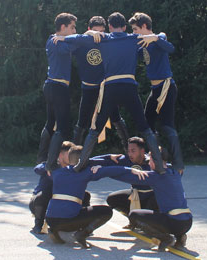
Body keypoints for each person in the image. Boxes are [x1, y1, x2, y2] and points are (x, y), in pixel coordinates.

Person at [54, 12, 164, 174]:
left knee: (95, 128)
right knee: (145, 128)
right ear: (125, 27)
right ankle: (160, 167)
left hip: (111, 87)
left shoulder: (105, 38)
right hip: (129, 86)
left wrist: (62, 38)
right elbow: (159, 37)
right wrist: (158, 36)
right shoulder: (133, 38)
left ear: (109, 27)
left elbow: (76, 38)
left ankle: (78, 165)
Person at [93, 147, 192, 251]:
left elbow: (126, 176)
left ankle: (166, 238)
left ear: (155, 161)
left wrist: (103, 171)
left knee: (135, 215)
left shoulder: (156, 176)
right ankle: (180, 237)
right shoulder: (175, 172)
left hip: (174, 222)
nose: (149, 164)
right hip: (188, 222)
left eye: (150, 161)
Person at [128, 12, 184, 173]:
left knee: (167, 126)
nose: (134, 32)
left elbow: (170, 48)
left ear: (145, 26)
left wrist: (157, 37)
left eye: (135, 29)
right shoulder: (142, 45)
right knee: (147, 124)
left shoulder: (159, 39)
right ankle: (156, 156)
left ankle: (179, 164)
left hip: (166, 87)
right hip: (155, 89)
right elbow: (133, 54)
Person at [45, 145, 129, 248]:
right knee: (106, 211)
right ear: (84, 161)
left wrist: (108, 156)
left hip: (50, 219)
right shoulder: (85, 173)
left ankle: (54, 230)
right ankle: (82, 234)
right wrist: (131, 170)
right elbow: (112, 170)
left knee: (83, 197)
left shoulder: (56, 172)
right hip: (67, 221)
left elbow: (40, 168)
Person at [71, 16, 129, 152]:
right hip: (88, 88)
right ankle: (72, 156)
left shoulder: (108, 40)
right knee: (82, 122)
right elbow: (69, 41)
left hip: (106, 88)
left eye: (102, 32)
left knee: (116, 118)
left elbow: (124, 38)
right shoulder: (82, 42)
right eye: (95, 31)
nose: (99, 35)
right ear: (89, 29)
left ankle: (130, 151)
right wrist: (88, 34)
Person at [36, 13, 78, 172]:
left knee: (50, 123)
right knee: (62, 127)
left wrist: (68, 38)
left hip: (52, 87)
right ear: (63, 27)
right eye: (72, 27)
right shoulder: (55, 41)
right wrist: (78, 38)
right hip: (57, 88)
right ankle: (50, 164)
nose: (75, 31)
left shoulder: (54, 40)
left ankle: (42, 159)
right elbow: (76, 46)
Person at [30, 141, 90, 234]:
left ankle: (83, 224)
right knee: (46, 192)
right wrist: (48, 168)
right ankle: (38, 225)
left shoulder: (73, 168)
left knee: (85, 195)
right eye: (69, 154)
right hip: (39, 202)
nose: (72, 156)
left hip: (59, 203)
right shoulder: (52, 165)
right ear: (60, 155)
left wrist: (110, 157)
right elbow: (37, 168)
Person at [100, 137, 159, 227]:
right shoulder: (126, 159)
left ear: (142, 151)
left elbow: (167, 167)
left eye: (133, 151)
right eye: (129, 151)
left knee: (156, 203)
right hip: (135, 195)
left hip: (151, 197)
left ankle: (150, 223)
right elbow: (103, 162)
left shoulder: (151, 162)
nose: (130, 154)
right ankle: (134, 220)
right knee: (112, 199)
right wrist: (105, 160)